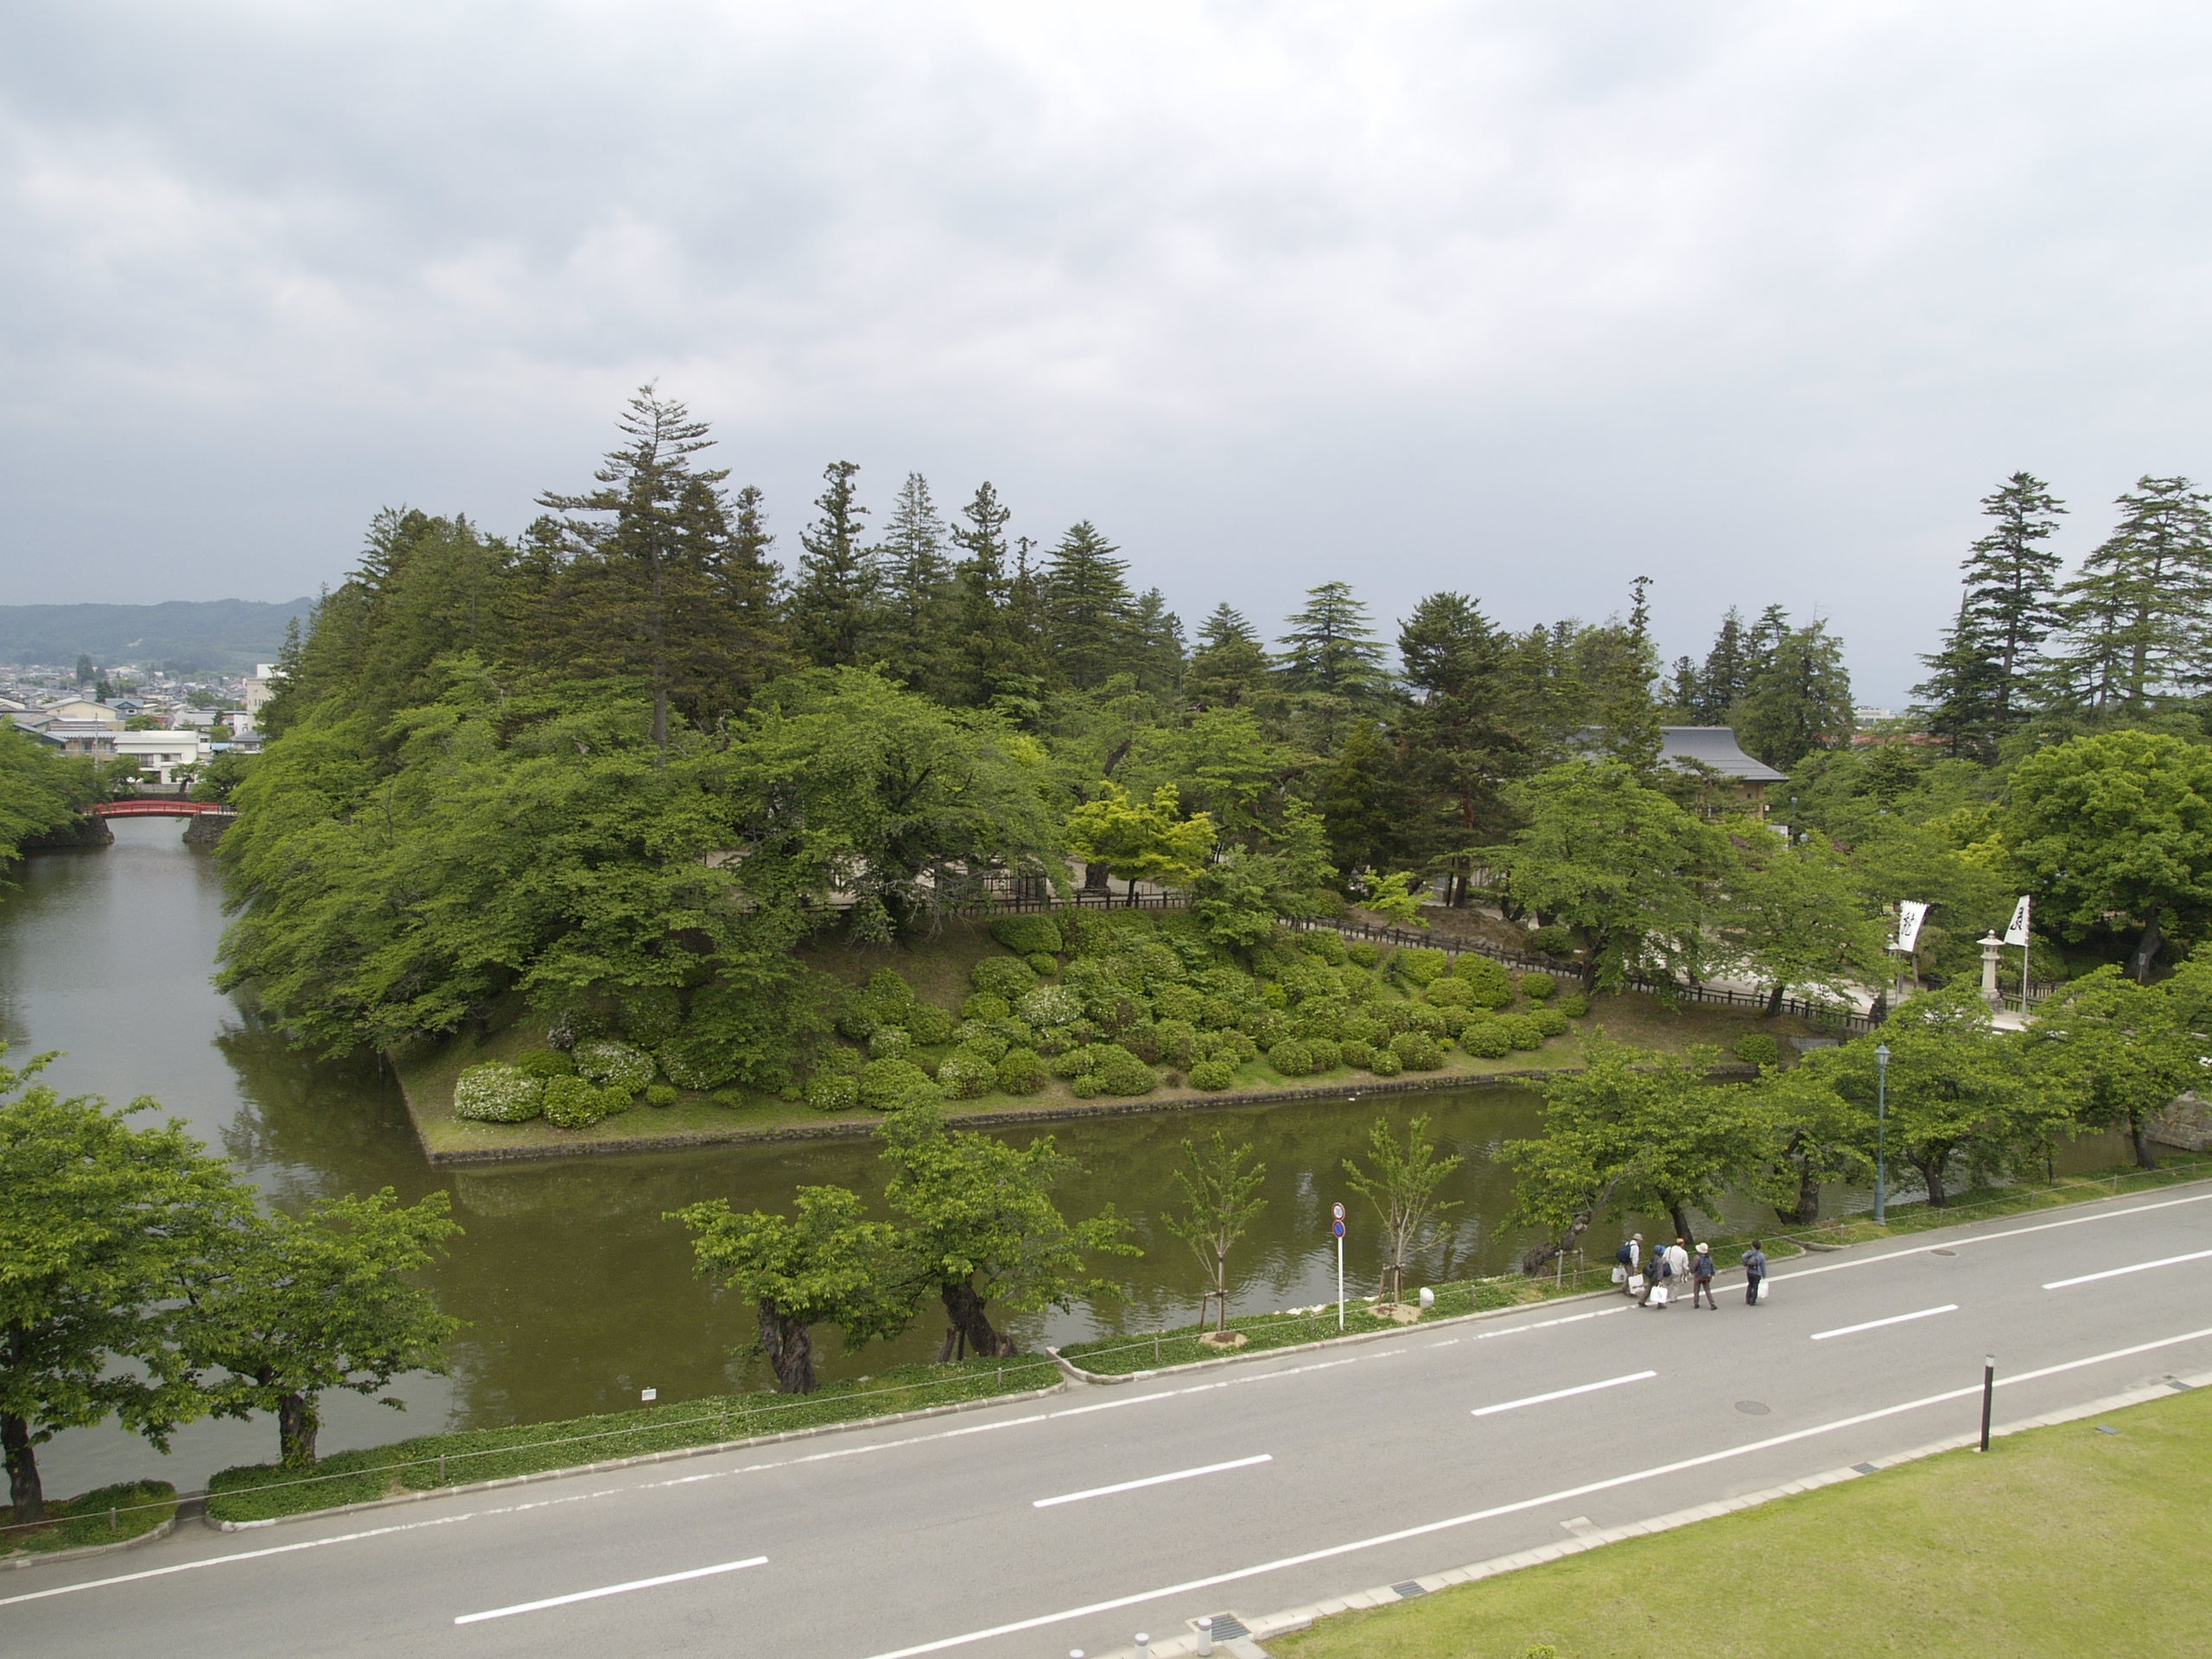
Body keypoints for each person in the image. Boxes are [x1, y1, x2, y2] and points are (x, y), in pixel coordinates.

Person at [1742, 1239, 1769, 1306]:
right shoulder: (1761, 1255)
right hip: (1757, 1273)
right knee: (1755, 1287)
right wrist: (1764, 1275)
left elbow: (1743, 1257)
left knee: (1750, 1285)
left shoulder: (1749, 1253)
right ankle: (1753, 1301)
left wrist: (1745, 1265)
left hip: (1749, 1272)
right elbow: (1763, 1266)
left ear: (1753, 1246)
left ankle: (1748, 1299)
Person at [1692, 1242, 1717, 1309]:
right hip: (1707, 1276)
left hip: (1698, 1276)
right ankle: (1712, 1303)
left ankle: (1696, 1303)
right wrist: (1712, 1274)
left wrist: (1692, 1272)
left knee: (1696, 1290)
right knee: (1707, 1290)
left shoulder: (1697, 1257)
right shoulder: (1709, 1258)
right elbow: (1712, 1267)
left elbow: (1694, 1266)